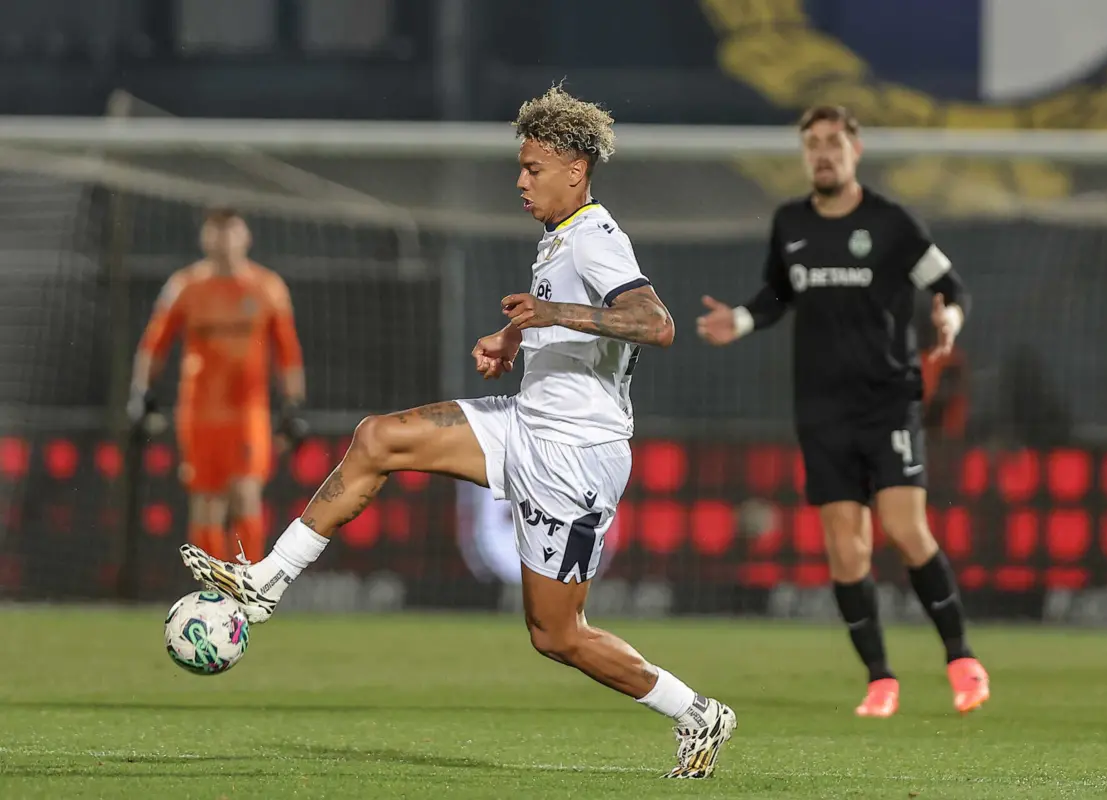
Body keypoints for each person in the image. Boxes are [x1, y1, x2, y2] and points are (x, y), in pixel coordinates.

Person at [179, 86, 737, 780]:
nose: (520, 180)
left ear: (574, 167)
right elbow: (558, 319)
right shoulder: (560, 237)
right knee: (378, 438)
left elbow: (657, 324)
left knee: (556, 635)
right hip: (527, 423)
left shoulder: (597, 238)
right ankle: (267, 580)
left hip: (575, 456)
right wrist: (512, 336)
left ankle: (697, 713)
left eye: (533, 168)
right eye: (521, 165)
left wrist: (547, 313)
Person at [696, 105, 989, 719]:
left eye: (834, 142)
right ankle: (880, 679)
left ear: (856, 150)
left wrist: (949, 319)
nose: (823, 153)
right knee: (846, 552)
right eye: (813, 144)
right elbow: (779, 291)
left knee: (906, 530)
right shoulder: (792, 222)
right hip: (822, 410)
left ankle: (962, 660)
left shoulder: (890, 223)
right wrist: (742, 319)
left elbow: (950, 286)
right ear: (805, 155)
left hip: (887, 400)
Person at [129, 208, 307, 564]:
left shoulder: (267, 287)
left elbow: (288, 354)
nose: (224, 241)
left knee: (245, 494)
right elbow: (154, 345)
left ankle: (245, 588)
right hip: (199, 412)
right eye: (217, 232)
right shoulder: (185, 287)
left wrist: (292, 406)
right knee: (206, 501)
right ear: (205, 238)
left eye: (231, 232)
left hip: (247, 411)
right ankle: (212, 594)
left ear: (246, 237)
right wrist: (141, 394)